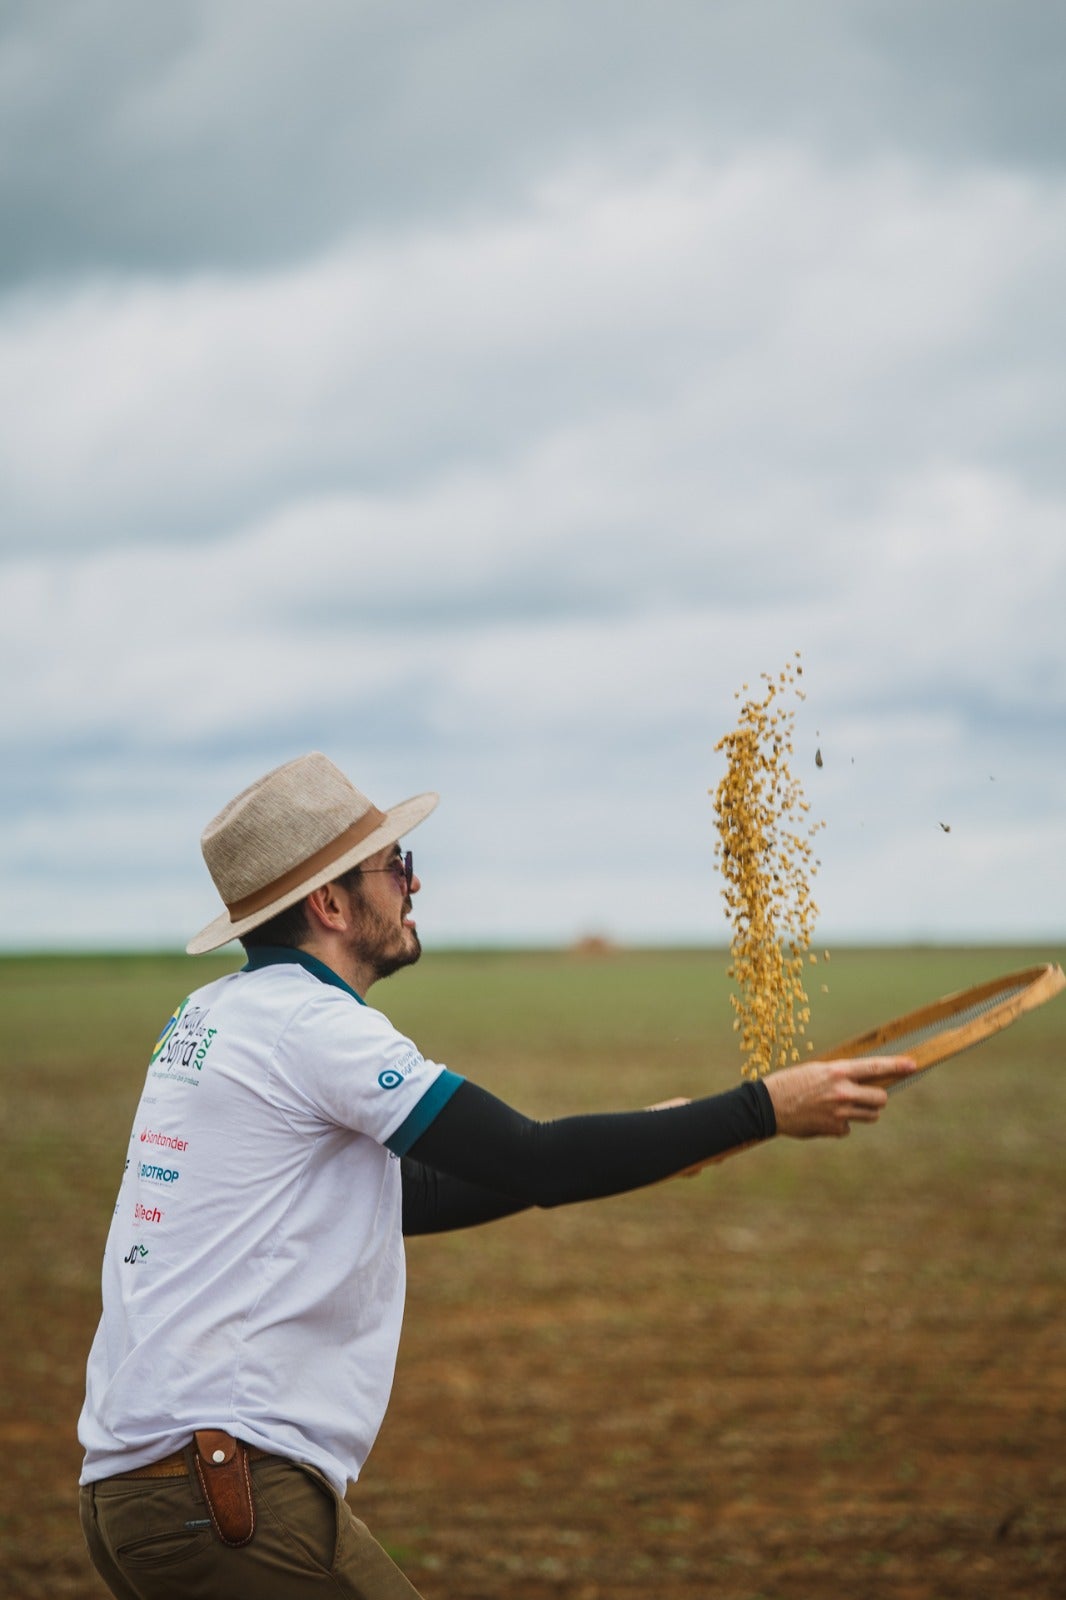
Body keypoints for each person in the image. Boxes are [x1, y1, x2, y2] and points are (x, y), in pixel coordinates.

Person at [78, 751, 914, 1599]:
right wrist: (763, 1109)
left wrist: (658, 1142)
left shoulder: (214, 1015)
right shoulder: (315, 1028)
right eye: (393, 867)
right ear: (330, 902)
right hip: (228, 1499)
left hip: (139, 1498)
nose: (411, 886)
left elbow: (413, 1193)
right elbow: (534, 1158)